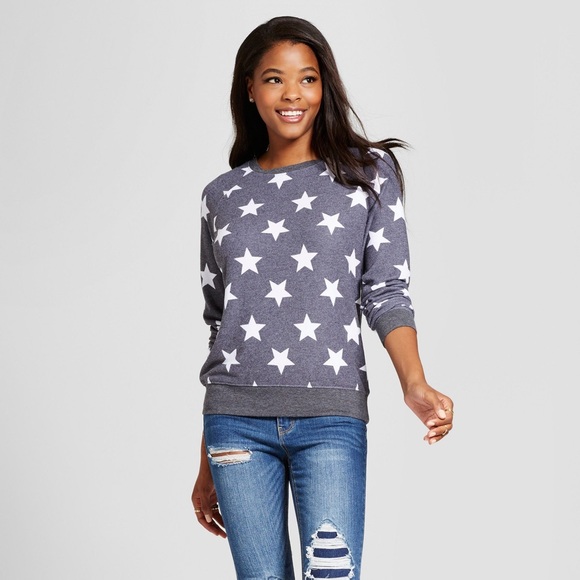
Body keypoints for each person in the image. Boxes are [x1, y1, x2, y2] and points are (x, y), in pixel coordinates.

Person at [191, 15, 454, 579]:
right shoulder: (222, 196)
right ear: (250, 89)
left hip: (331, 418)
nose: (292, 94)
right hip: (234, 423)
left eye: (307, 79)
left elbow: (385, 290)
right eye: (274, 79)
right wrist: (205, 459)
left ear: (323, 86)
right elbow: (221, 326)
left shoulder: (368, 175)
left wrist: (414, 382)